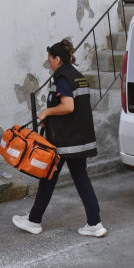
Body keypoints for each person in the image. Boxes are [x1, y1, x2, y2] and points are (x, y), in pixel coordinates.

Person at [12, 39, 107, 237]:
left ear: (57, 59)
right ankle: (95, 224)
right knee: (81, 180)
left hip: (65, 141)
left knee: (48, 178)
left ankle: (33, 221)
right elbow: (75, 109)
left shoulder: (63, 78)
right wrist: (51, 120)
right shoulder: (78, 76)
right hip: (79, 139)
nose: (50, 65)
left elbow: (68, 106)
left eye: (50, 61)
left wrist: (46, 113)